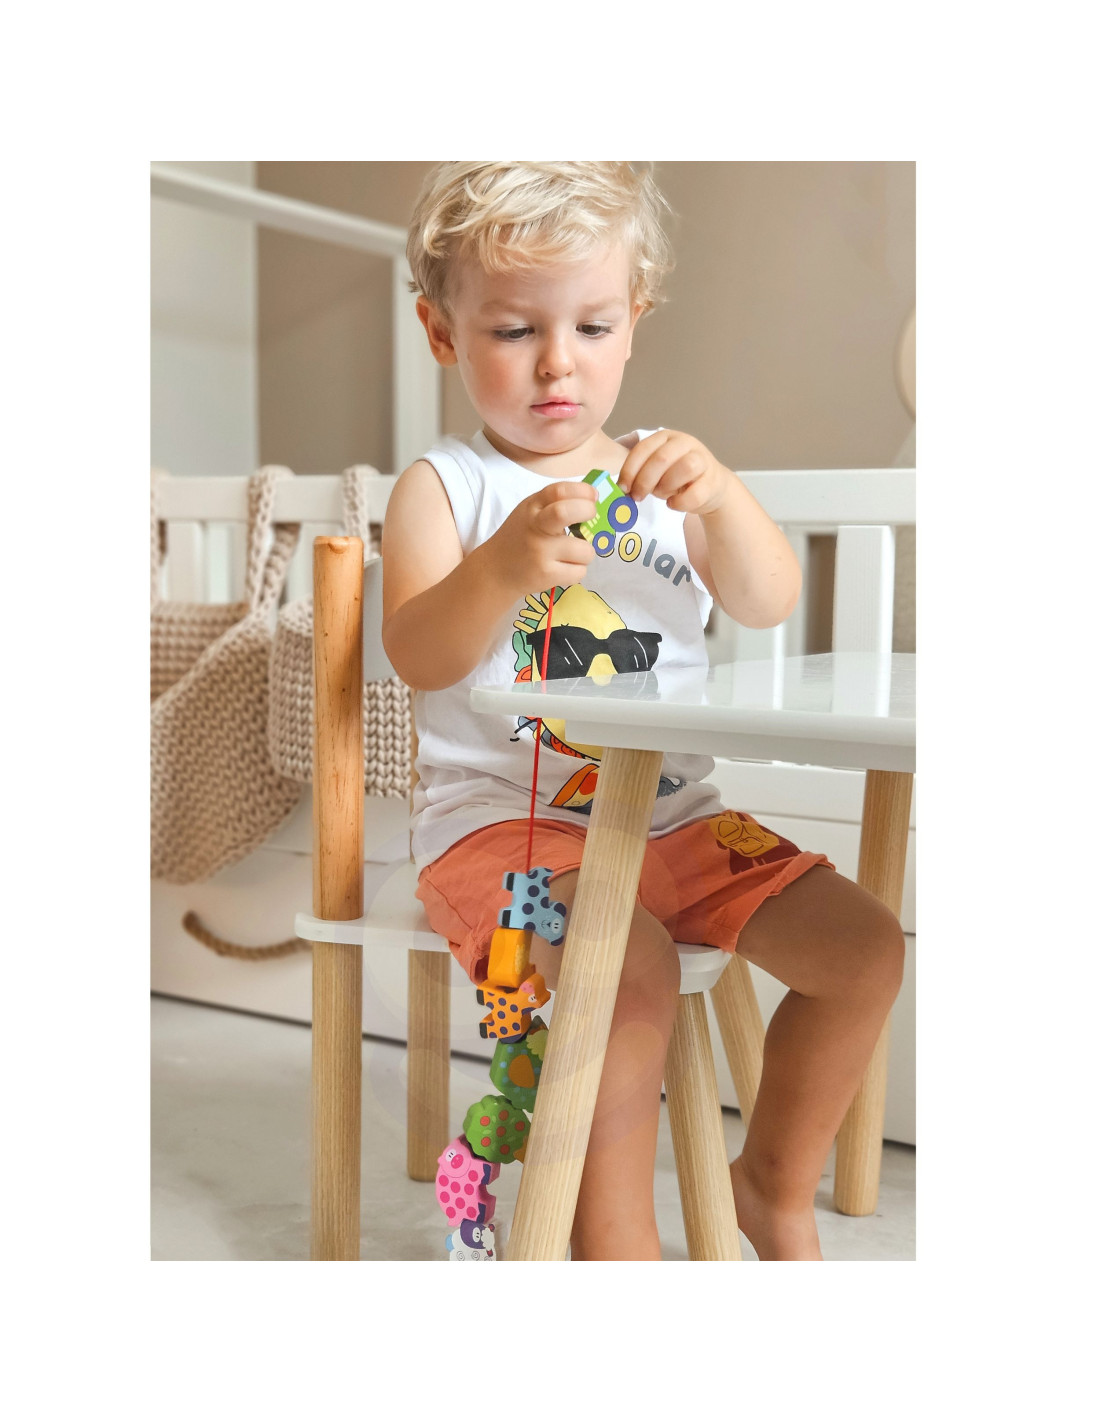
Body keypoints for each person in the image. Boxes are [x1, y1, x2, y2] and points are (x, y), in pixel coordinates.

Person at [382, 162, 904, 1261]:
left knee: (861, 950)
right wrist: (502, 564)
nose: (557, 361)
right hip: (504, 831)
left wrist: (723, 497)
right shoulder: (446, 486)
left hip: (672, 822)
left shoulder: (659, 478)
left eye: (591, 325)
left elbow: (767, 597)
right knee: (628, 964)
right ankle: (614, 1250)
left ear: (635, 323)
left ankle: (772, 1186)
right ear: (441, 332)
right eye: (514, 329)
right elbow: (419, 656)